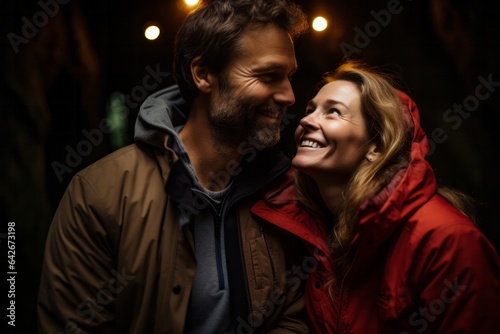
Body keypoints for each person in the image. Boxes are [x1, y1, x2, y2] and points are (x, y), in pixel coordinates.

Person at [37, 1, 310, 333]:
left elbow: (293, 316)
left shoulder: (284, 193)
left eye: (288, 77)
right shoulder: (100, 194)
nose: (289, 96)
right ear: (203, 74)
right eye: (269, 76)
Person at [252, 60, 500, 333]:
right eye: (310, 110)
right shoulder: (316, 234)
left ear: (377, 146)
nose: (306, 120)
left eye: (333, 112)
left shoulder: (447, 240)